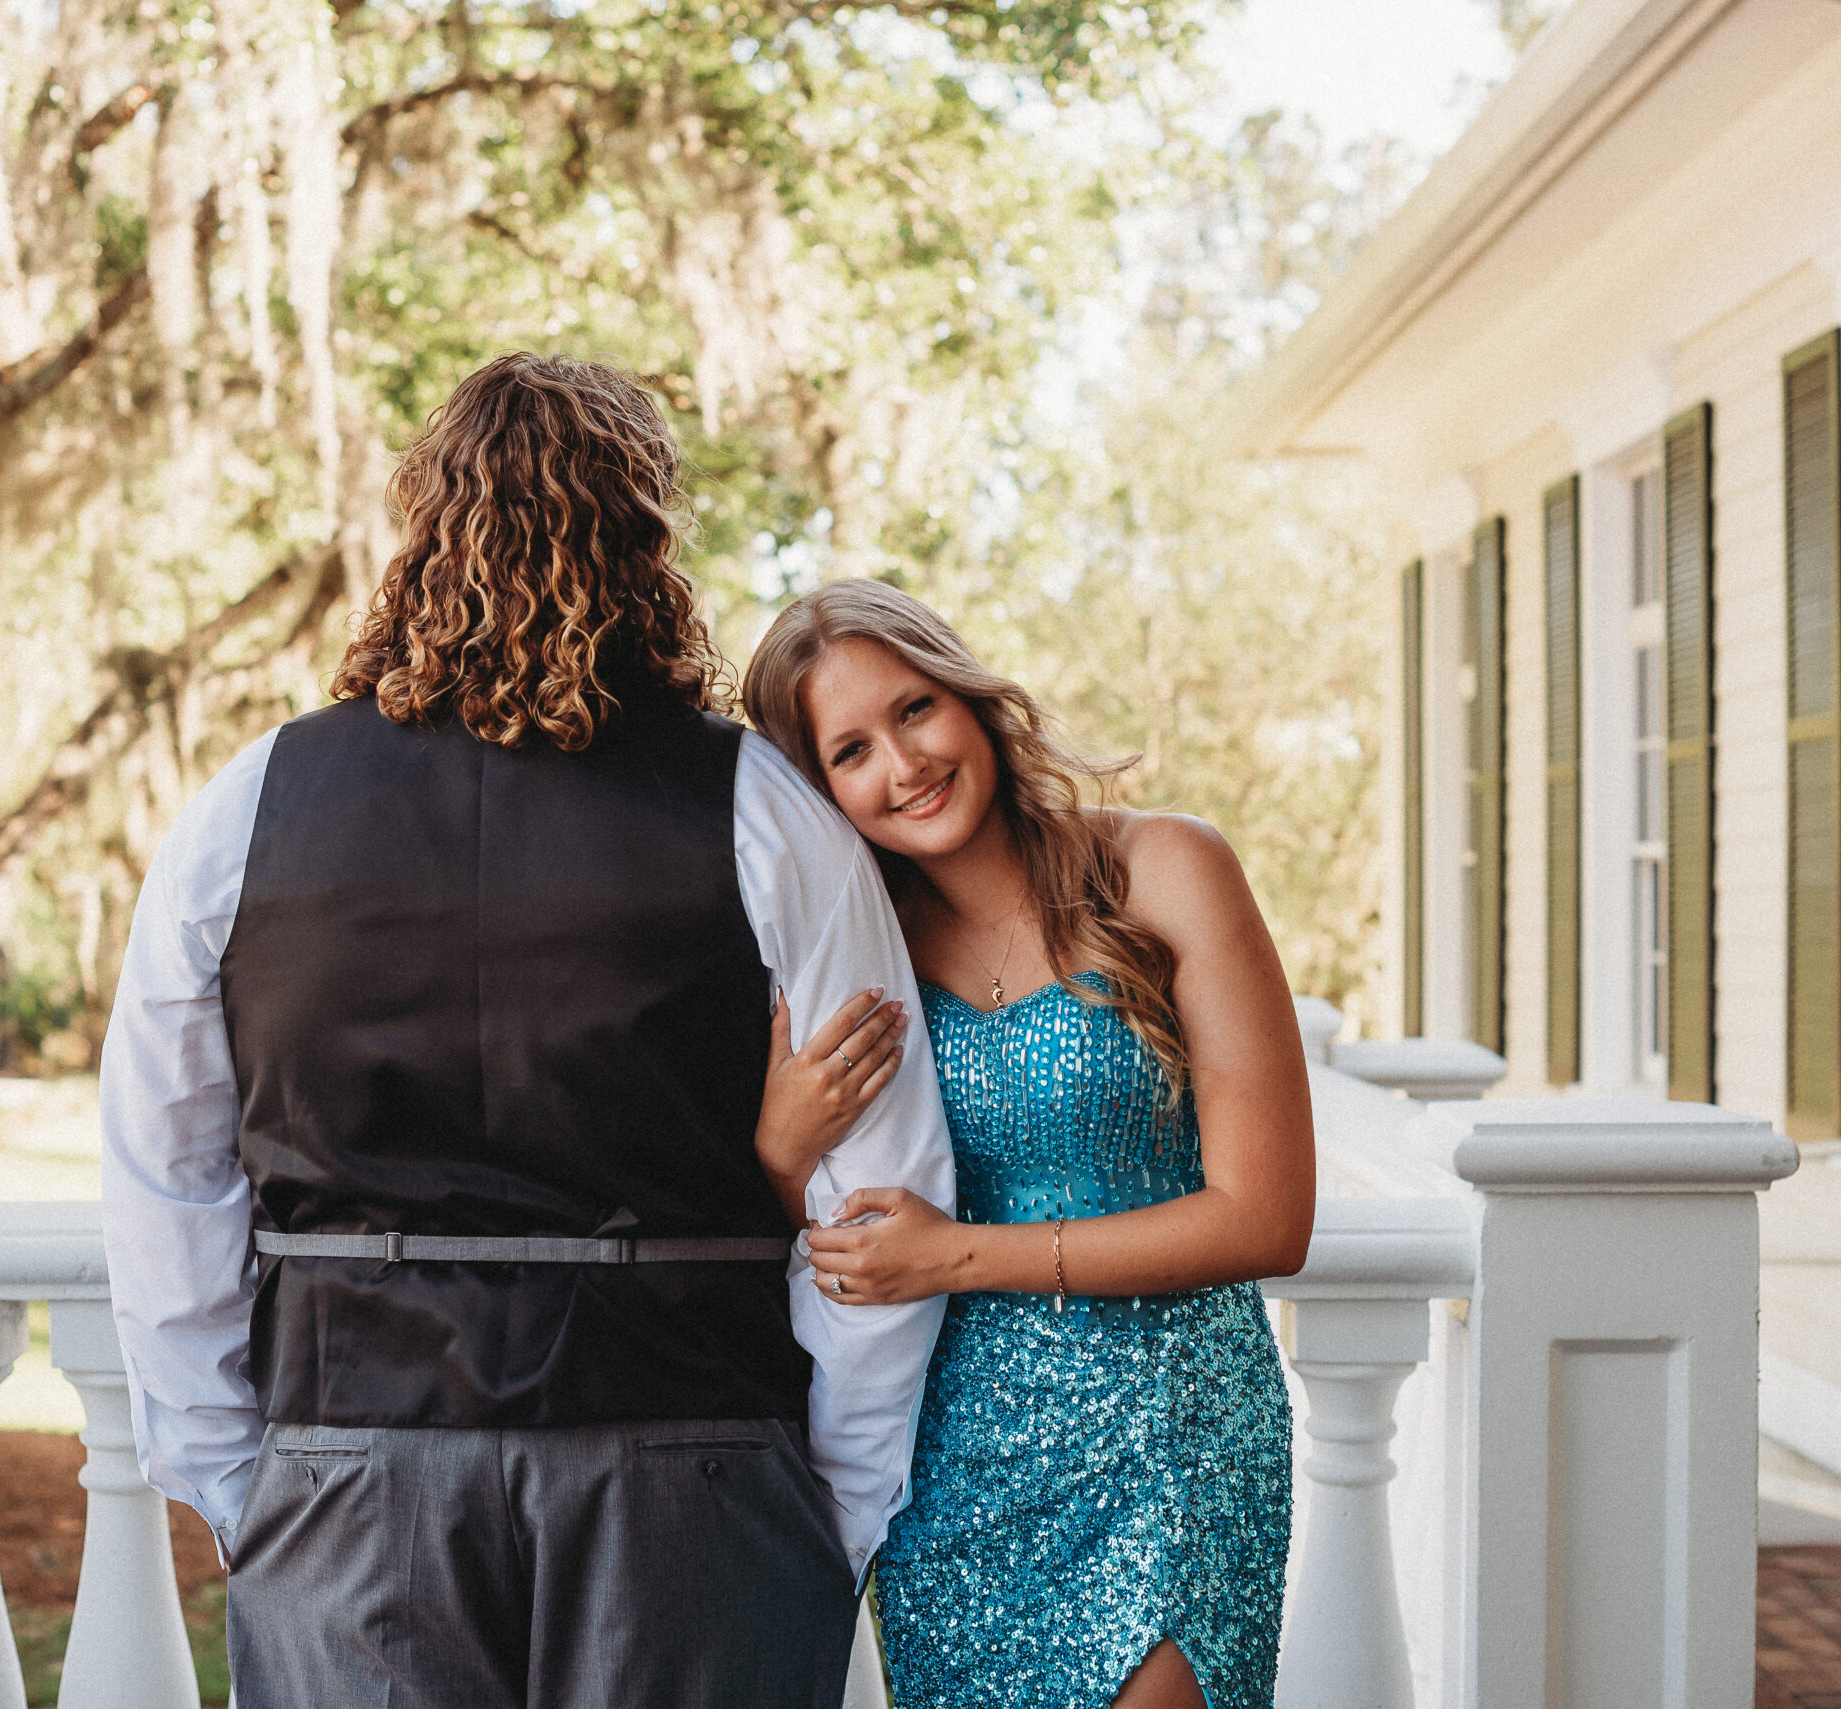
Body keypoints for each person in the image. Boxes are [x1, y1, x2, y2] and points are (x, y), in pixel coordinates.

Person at [98, 354, 955, 1709]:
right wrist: (830, 1501)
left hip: (346, 1471)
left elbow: (161, 1178)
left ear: (423, 531)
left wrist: (240, 1481)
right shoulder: (769, 812)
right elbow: (886, 1189)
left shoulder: (244, 811)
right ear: (645, 541)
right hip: (699, 1473)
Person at [744, 579, 1316, 1709]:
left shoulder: (1166, 868)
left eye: (913, 710)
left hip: (1175, 1430)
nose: (901, 764)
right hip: (952, 1463)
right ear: (821, 794)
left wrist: (958, 1254)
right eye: (850, 749)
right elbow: (791, 1232)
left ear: (967, 696)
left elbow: (1268, 1216)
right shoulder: (848, 961)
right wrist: (774, 1150)